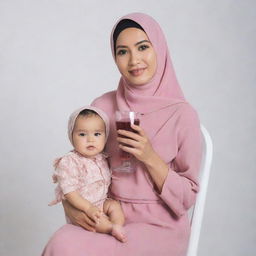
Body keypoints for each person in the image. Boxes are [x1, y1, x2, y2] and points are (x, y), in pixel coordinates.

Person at [42, 12, 202, 256]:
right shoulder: (102, 107)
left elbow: (187, 198)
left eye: (143, 47)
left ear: (159, 48)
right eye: (122, 51)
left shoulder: (183, 115)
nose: (134, 60)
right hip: (109, 214)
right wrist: (72, 205)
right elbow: (82, 166)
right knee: (62, 243)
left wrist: (149, 156)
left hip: (159, 226)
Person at [48, 106, 126, 242]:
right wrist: (88, 208)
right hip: (83, 208)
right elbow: (69, 192)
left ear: (105, 136)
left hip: (102, 202)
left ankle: (118, 226)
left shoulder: (103, 158)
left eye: (97, 134)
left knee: (114, 206)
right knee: (97, 219)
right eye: (82, 134)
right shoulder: (70, 161)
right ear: (71, 136)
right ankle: (110, 229)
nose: (90, 139)